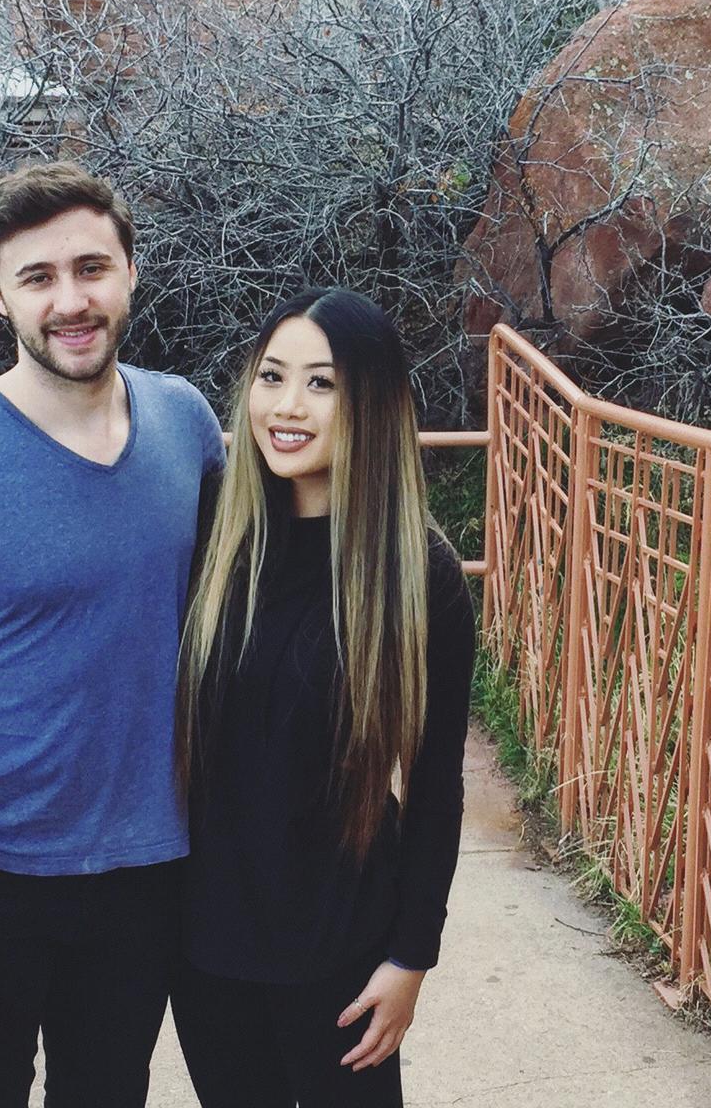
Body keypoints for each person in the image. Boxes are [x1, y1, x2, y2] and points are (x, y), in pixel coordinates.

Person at [0, 164, 228, 1108]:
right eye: (38, 277)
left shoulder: (186, 423)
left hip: (151, 867)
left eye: (92, 268)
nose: (71, 301)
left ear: (131, 272)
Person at [173, 289, 476, 1108]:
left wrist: (411, 959)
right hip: (209, 951)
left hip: (345, 951)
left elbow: (435, 785)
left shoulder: (420, 576)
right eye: (272, 377)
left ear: (371, 404)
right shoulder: (212, 538)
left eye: (321, 384)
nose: (287, 407)